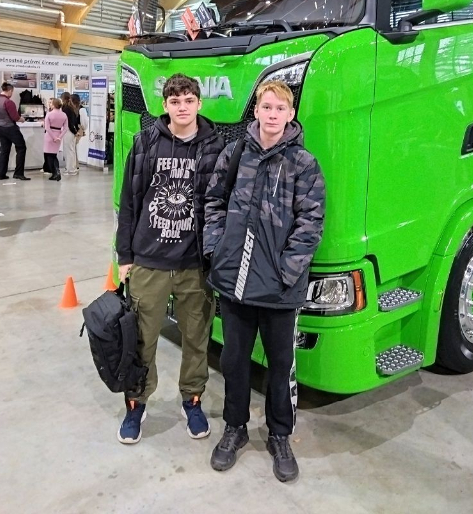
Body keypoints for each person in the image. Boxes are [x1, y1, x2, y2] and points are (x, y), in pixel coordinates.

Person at [204, 79, 325, 483]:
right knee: (234, 361)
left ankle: (279, 435)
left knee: (280, 365)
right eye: (266, 107)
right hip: (235, 281)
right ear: (255, 110)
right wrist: (216, 250)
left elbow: (311, 223)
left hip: (279, 289)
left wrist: (286, 272)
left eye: (279, 108)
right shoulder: (235, 153)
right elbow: (214, 201)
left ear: (290, 114)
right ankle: (234, 428)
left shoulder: (303, 163)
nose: (272, 114)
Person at [115, 73, 225, 445]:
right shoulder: (145, 143)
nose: (182, 107)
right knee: (141, 340)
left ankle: (192, 400)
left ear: (199, 103)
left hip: (195, 265)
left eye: (188, 100)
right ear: (165, 106)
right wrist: (125, 255)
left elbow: (223, 205)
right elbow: (129, 202)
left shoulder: (215, 146)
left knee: (196, 338)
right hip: (150, 261)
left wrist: (217, 256)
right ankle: (136, 404)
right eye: (175, 101)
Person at [0, 82, 30, 181]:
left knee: (4, 150)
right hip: (10, 128)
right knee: (21, 147)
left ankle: (1, 174)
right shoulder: (8, 102)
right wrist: (22, 119)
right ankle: (18, 173)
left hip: (0, 128)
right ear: (10, 90)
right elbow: (15, 117)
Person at [43, 98, 67, 181]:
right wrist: (59, 137)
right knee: (54, 155)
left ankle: (56, 172)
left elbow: (47, 127)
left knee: (49, 155)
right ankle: (56, 172)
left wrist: (54, 137)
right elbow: (65, 128)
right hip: (58, 135)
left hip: (50, 136)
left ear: (53, 105)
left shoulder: (49, 114)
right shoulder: (64, 115)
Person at [60, 92, 78, 175]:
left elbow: (69, 122)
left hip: (68, 131)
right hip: (71, 131)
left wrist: (74, 131)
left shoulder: (66, 109)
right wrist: (76, 131)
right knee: (71, 150)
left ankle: (70, 169)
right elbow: (74, 121)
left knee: (69, 151)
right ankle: (72, 168)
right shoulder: (71, 108)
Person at [70, 94, 88, 170]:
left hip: (77, 128)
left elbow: (84, 122)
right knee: (73, 147)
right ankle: (74, 164)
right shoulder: (80, 109)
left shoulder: (80, 109)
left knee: (73, 147)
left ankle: (74, 164)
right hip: (77, 128)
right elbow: (84, 122)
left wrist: (82, 129)